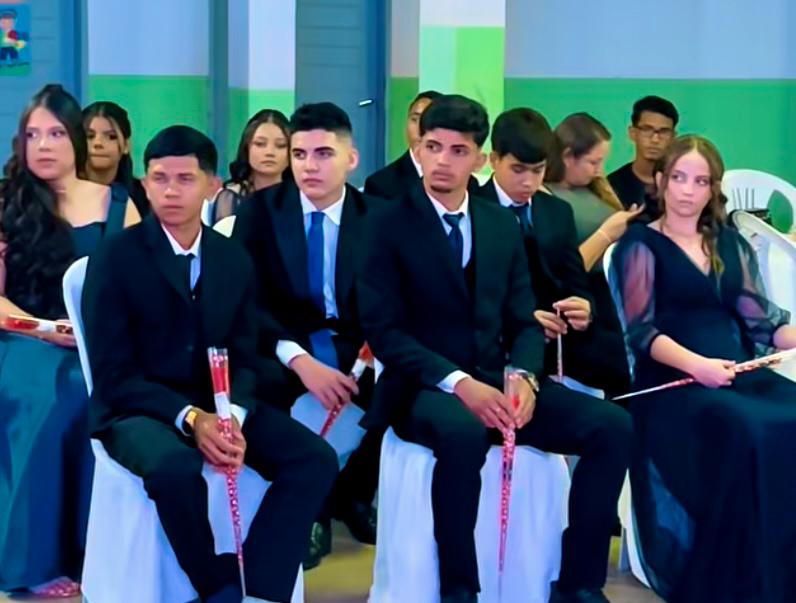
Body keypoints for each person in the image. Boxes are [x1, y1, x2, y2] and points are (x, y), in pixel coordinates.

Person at [358, 94, 631, 603]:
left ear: (479, 159)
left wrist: (525, 377)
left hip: (499, 379)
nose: (442, 160)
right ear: (417, 149)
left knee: (612, 426)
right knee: (463, 431)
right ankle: (460, 589)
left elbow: (525, 319)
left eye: (458, 150)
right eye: (432, 147)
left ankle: (579, 584)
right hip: (422, 386)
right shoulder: (384, 222)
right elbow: (386, 332)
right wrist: (461, 384)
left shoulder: (500, 224)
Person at [82, 125, 338, 603]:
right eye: (159, 179)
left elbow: (245, 354)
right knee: (175, 467)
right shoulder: (115, 257)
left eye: (184, 179)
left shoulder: (232, 258)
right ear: (145, 182)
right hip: (137, 408)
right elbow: (114, 372)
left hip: (218, 401)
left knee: (314, 460)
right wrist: (191, 418)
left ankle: (259, 585)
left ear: (211, 184)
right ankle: (215, 586)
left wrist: (232, 416)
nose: (171, 191)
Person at [613, 134, 796, 603]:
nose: (687, 191)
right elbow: (642, 333)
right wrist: (699, 366)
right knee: (750, 429)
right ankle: (747, 577)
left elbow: (764, 322)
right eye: (678, 178)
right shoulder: (639, 245)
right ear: (660, 181)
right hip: (673, 383)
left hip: (739, 373)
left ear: (712, 188)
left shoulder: (730, 243)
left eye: (700, 181)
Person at [0, 84, 139, 596]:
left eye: (56, 133)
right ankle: (34, 561)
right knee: (49, 394)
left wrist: (86, 332)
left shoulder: (117, 202)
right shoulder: (5, 202)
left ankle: (94, 552)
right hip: (22, 336)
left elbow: (138, 286)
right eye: (32, 134)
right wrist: (45, 329)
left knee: (95, 388)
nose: (43, 145)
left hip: (100, 340)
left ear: (76, 140)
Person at [233, 102, 385, 569]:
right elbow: (244, 300)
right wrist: (299, 359)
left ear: (351, 159)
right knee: (274, 394)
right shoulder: (261, 212)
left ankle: (355, 494)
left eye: (323, 153)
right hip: (284, 343)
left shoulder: (378, 216)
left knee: (397, 389)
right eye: (299, 154)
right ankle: (310, 512)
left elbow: (396, 297)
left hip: (359, 344)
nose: (309, 166)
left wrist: (373, 351)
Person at [480, 107, 629, 394]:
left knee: (630, 361)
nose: (528, 182)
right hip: (505, 342)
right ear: (494, 160)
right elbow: (472, 299)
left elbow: (576, 281)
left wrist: (584, 309)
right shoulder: (474, 209)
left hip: (563, 337)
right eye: (518, 170)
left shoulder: (557, 211)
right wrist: (524, 322)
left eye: (538, 171)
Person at [364, 90, 480, 199]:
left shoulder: (469, 183)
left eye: (429, 121)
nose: (420, 128)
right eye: (415, 119)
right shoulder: (380, 184)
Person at [212, 109, 291, 223]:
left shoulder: (302, 197)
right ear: (246, 148)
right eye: (260, 144)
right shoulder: (231, 198)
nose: (270, 152)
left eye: (281, 145)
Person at [608, 95, 678, 217]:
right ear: (632, 133)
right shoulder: (612, 187)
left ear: (673, 137)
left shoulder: (680, 185)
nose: (655, 139)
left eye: (664, 131)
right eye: (647, 129)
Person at [83, 100, 150, 217]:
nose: (98, 143)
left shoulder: (144, 196)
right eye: (90, 136)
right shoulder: (63, 193)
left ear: (126, 145)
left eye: (111, 137)